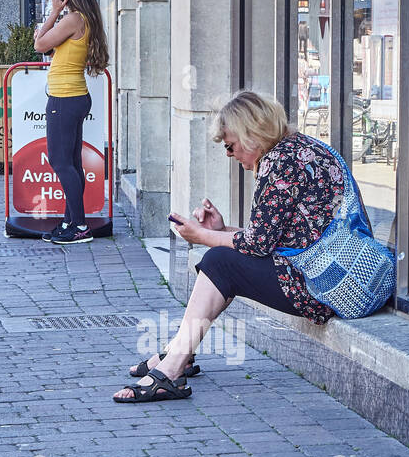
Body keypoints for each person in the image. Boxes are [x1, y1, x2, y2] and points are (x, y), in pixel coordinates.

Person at [114, 91, 340, 403]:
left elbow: (259, 244)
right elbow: (274, 239)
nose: (229, 154)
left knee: (220, 260)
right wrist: (222, 231)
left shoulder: (279, 163)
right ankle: (178, 352)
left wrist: (204, 237)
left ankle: (172, 368)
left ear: (251, 134)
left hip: (321, 287)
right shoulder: (298, 149)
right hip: (327, 275)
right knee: (225, 257)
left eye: (230, 145)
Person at [34, 0, 109, 245]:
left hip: (65, 98)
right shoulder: (85, 18)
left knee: (60, 161)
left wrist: (53, 11)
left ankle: (78, 225)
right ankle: (70, 220)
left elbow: (40, 44)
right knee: (72, 163)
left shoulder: (73, 19)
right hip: (74, 96)